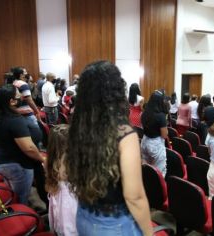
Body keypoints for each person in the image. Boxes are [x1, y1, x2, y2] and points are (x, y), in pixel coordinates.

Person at [65, 61, 153, 236]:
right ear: (117, 90)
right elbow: (134, 196)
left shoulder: (79, 126)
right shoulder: (125, 134)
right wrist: (149, 233)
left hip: (83, 215)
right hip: (114, 224)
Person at [0, 84, 46, 204]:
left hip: (1, 161)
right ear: (12, 101)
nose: (22, 97)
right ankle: (21, 215)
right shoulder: (14, 120)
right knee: (20, 197)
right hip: (15, 165)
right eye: (19, 95)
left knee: (11, 192)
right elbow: (28, 148)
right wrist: (42, 159)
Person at [45, 124, 77, 235]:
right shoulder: (71, 161)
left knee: (61, 222)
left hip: (58, 196)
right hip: (70, 200)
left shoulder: (50, 159)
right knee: (70, 226)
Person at [141, 90, 168, 177]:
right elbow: (164, 135)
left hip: (144, 141)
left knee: (146, 169)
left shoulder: (144, 112)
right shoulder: (161, 116)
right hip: (155, 145)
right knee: (159, 174)